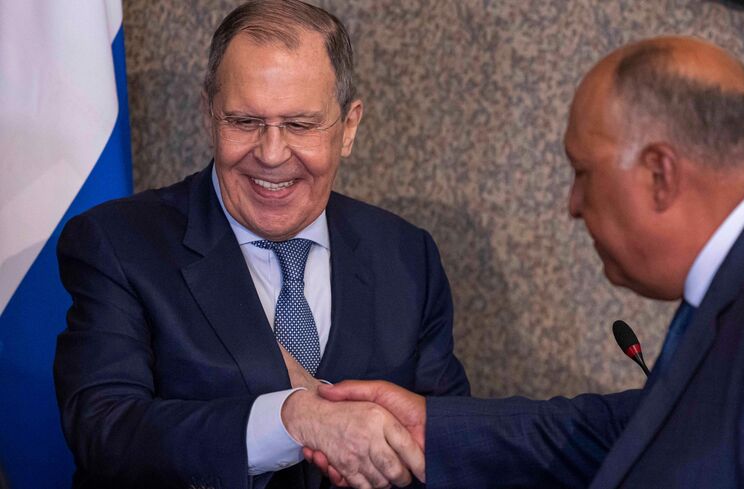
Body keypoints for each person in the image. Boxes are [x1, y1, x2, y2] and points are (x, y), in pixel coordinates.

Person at [308, 36, 744, 488]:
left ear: (660, 173)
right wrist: (433, 428)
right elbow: (643, 427)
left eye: (582, 173)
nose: (572, 206)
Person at [53, 1, 469, 488]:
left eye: (299, 125)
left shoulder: (406, 255)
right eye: (245, 121)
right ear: (210, 114)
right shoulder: (119, 243)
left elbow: (451, 443)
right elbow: (105, 431)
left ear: (349, 126)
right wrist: (293, 420)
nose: (272, 155)